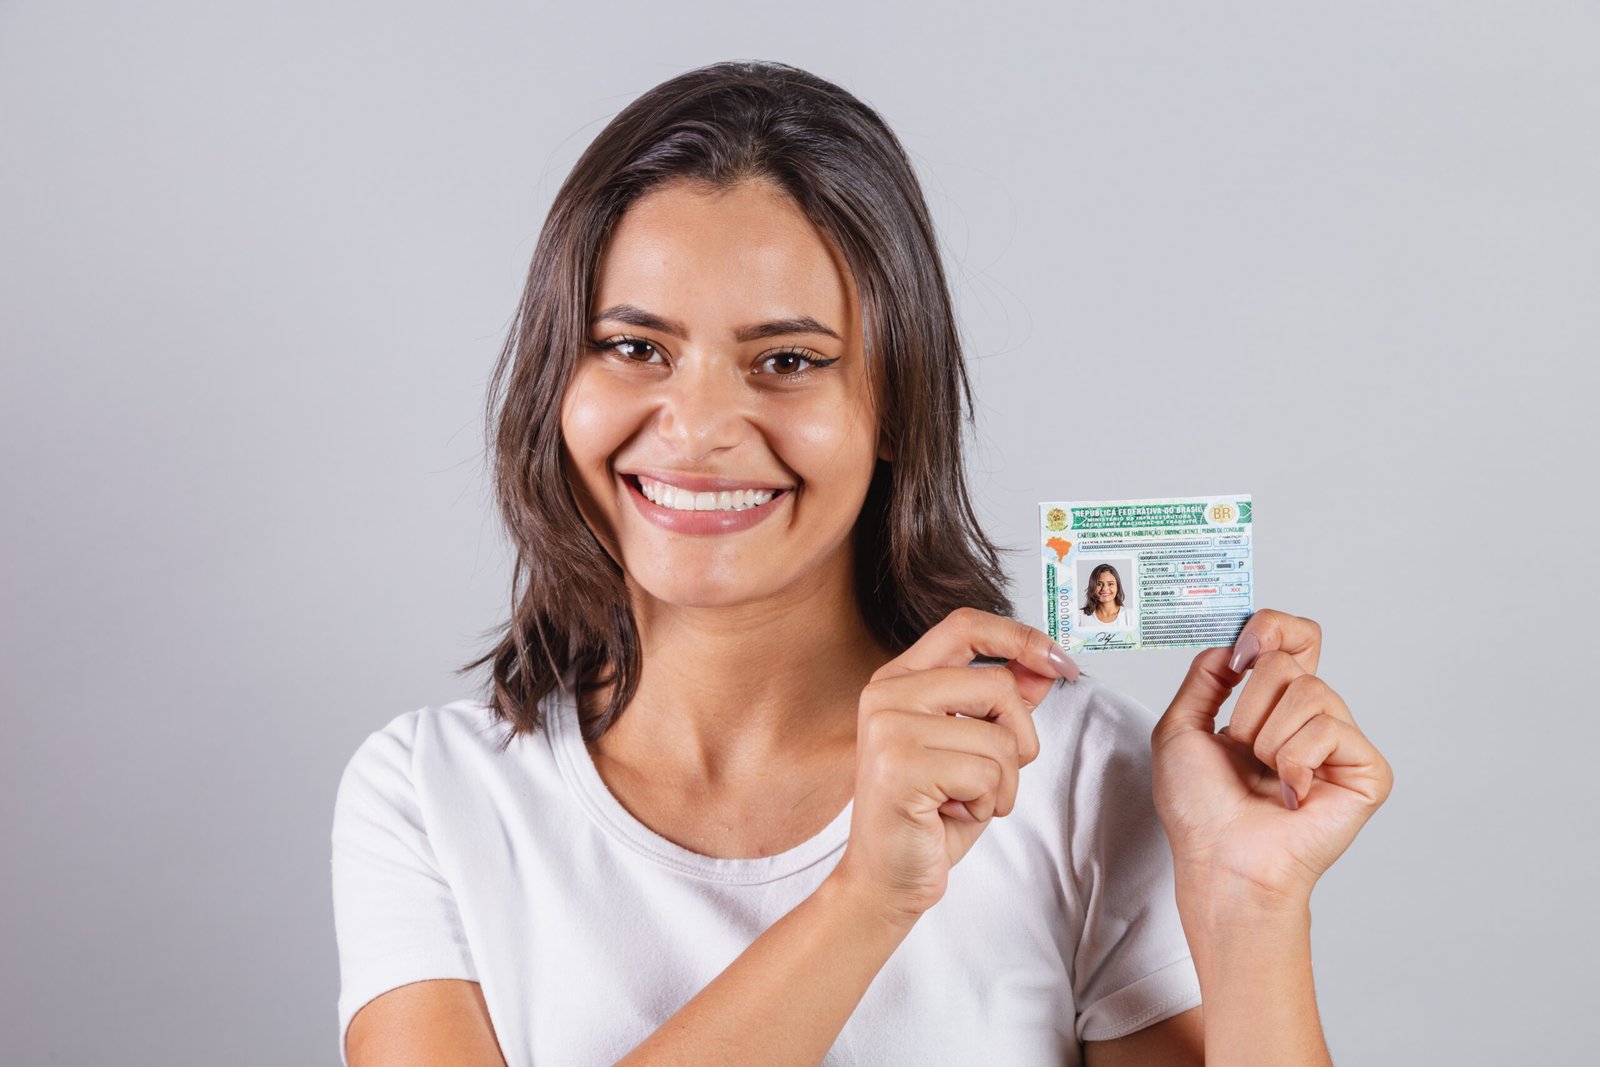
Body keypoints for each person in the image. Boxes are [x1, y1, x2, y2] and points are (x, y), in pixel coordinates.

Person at [331, 60, 1394, 1066]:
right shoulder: (430, 795)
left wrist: (1247, 907)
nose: (697, 426)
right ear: (557, 380)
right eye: (634, 346)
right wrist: (862, 899)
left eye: (785, 360)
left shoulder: (1070, 772)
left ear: (893, 406)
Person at [1079, 563, 1134, 631]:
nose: (1104, 589)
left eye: (1110, 584)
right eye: (1099, 584)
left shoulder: (1131, 616)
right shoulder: (1080, 617)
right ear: (1092, 586)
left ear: (1117, 587)